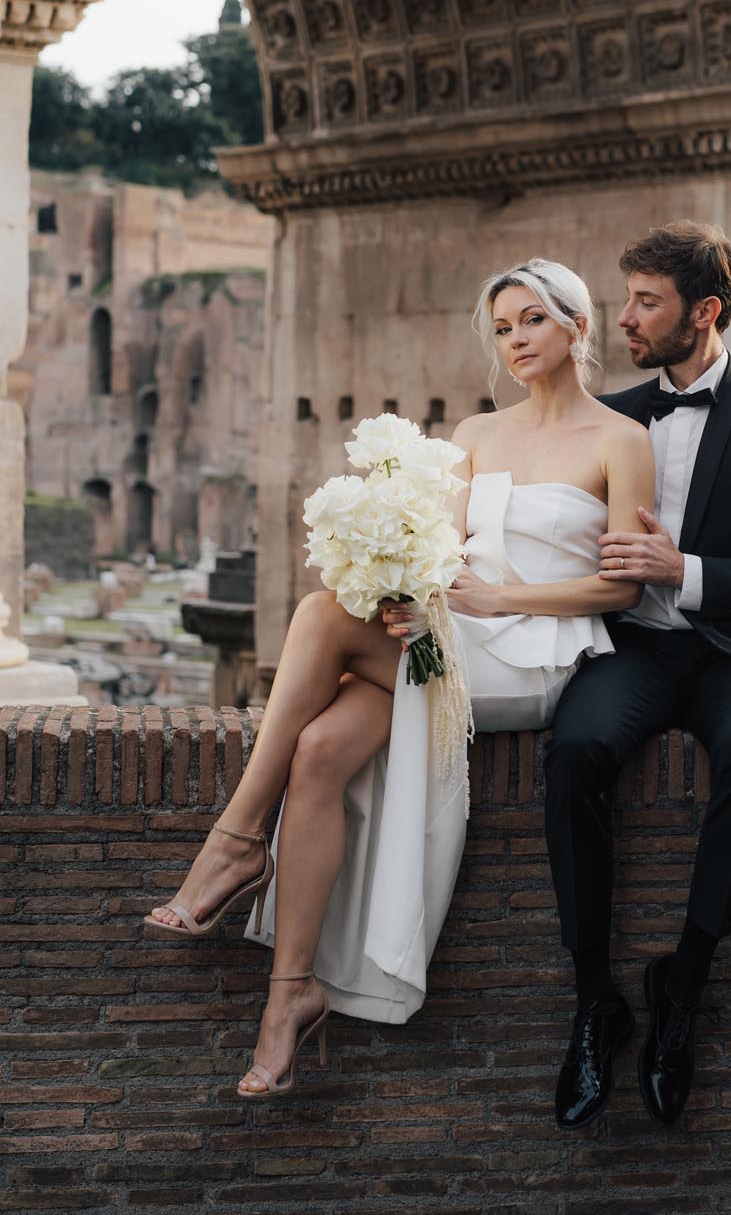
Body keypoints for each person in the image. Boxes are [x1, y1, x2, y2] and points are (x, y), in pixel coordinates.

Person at [143, 258, 654, 1101]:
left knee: (317, 618)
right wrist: (407, 597)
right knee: (319, 749)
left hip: (534, 651)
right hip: (447, 636)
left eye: (532, 320)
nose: (515, 340)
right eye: (501, 328)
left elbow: (622, 587)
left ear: (577, 326)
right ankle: (290, 995)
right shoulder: (475, 432)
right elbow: (438, 557)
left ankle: (235, 843)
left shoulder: (619, 439)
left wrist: (502, 597)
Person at [545, 221, 731, 1129]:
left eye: (646, 302)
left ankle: (684, 987)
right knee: (575, 749)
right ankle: (594, 1000)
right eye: (625, 298)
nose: (623, 318)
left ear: (703, 311)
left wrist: (687, 571)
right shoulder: (610, 415)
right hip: (633, 647)